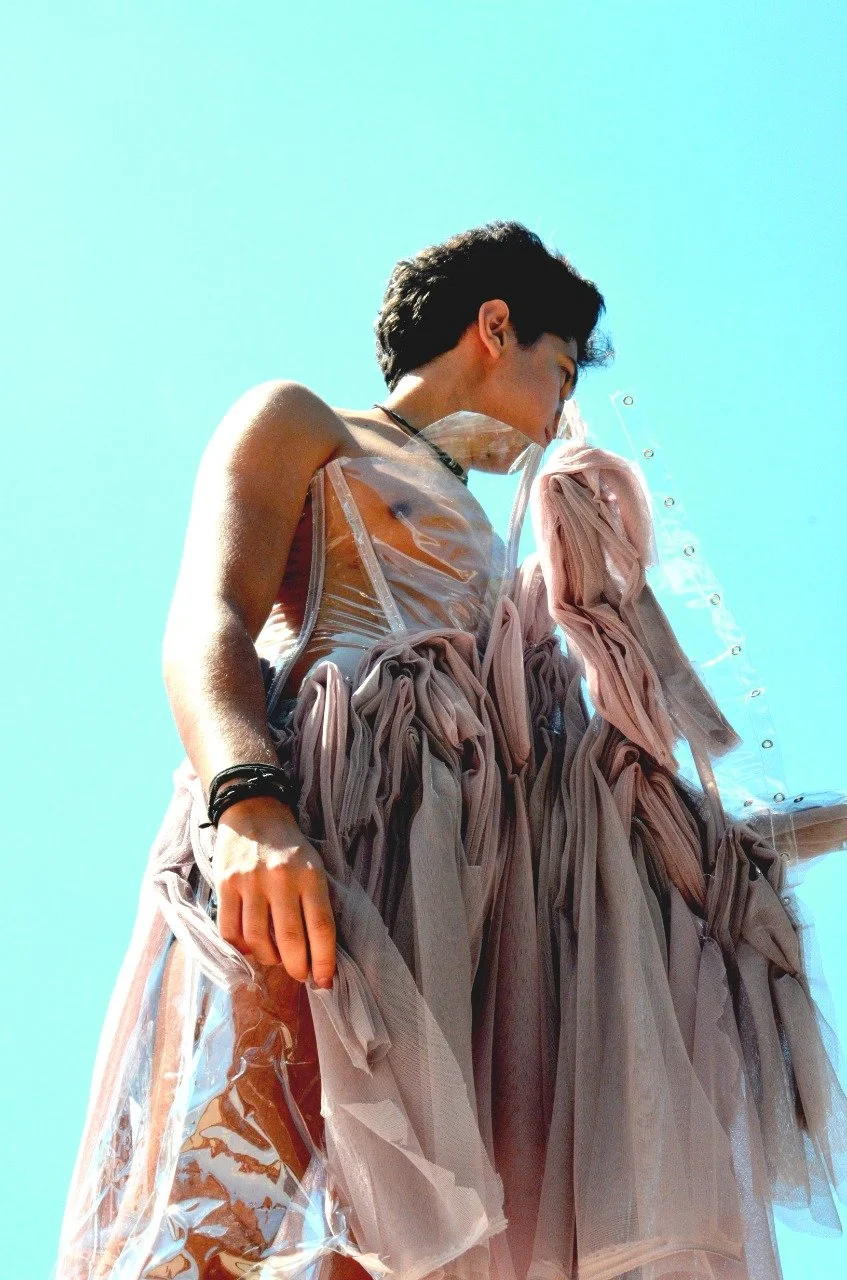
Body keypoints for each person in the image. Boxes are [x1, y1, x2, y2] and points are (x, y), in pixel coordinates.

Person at [56, 222, 847, 1280]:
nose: (563, 415)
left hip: (471, 906)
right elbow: (211, 617)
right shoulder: (308, 422)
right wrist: (250, 804)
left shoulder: (508, 557)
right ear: (494, 325)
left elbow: (636, 806)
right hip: (321, 838)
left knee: (401, 1251)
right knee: (218, 1213)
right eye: (559, 371)